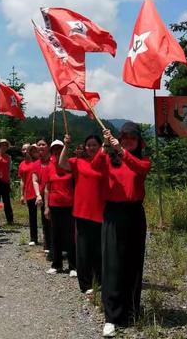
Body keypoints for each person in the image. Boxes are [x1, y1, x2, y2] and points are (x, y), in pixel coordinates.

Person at [91, 122, 151, 338]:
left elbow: (140, 169)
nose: (127, 141)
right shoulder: (109, 159)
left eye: (132, 138)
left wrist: (121, 150)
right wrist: (105, 147)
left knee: (134, 263)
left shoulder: (140, 160)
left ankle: (132, 310)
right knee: (113, 264)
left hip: (135, 213)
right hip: (114, 214)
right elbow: (95, 167)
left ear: (138, 142)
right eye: (124, 137)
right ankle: (112, 317)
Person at [59, 134, 104, 295]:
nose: (91, 148)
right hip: (82, 211)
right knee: (84, 250)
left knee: (99, 250)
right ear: (84, 147)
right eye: (88, 145)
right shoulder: (77, 162)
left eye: (94, 145)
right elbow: (62, 163)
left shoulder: (104, 162)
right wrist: (66, 145)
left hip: (101, 212)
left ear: (99, 147)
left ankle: (99, 280)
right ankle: (85, 284)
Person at [44, 139, 76, 276]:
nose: (57, 152)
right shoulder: (49, 167)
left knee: (70, 236)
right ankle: (56, 264)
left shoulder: (70, 165)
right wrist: (46, 207)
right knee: (55, 235)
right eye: (55, 149)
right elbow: (46, 189)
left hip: (70, 205)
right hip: (54, 205)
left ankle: (73, 266)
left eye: (60, 149)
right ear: (51, 152)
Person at [31, 138, 52, 256]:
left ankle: (58, 246)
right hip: (43, 196)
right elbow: (35, 180)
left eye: (43, 144)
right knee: (45, 221)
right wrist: (38, 195)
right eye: (39, 145)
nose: (41, 146)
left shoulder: (53, 161)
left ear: (48, 147)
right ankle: (48, 245)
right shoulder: (36, 164)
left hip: (55, 194)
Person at [18, 143, 39, 245]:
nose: (26, 151)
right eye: (23, 149)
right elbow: (22, 180)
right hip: (29, 192)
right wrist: (22, 194)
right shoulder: (22, 164)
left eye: (28, 149)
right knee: (32, 216)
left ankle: (49, 240)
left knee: (46, 217)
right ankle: (33, 238)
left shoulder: (38, 161)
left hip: (40, 192)